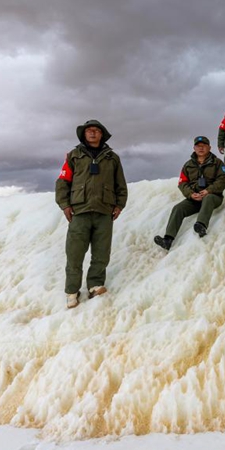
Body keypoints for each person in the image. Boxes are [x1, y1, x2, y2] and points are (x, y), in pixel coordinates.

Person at [55, 119, 128, 309]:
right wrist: (65, 205)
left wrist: (119, 205)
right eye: (89, 130)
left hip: (104, 211)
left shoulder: (112, 158)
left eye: (96, 130)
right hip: (80, 211)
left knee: (101, 252)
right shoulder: (74, 156)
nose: (93, 133)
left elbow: (120, 184)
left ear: (102, 134)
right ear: (84, 134)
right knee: (75, 253)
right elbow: (62, 182)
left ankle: (95, 285)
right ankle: (72, 291)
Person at [153, 136, 225, 251]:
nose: (201, 148)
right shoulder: (188, 165)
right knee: (178, 208)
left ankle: (201, 226)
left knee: (208, 198)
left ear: (209, 147)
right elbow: (182, 183)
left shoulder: (217, 163)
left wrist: (209, 190)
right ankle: (168, 239)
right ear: (194, 148)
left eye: (204, 146)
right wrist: (191, 194)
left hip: (213, 197)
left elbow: (223, 180)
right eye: (198, 146)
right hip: (195, 198)